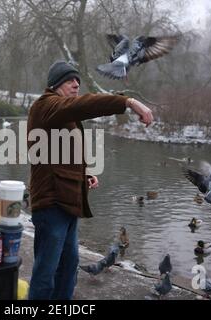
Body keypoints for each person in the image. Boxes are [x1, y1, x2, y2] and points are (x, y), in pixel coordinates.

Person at [27, 60, 153, 300]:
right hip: (51, 204)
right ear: (54, 84)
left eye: (77, 80)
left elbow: (60, 153)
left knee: (68, 268)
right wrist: (127, 101)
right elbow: (85, 105)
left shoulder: (62, 112)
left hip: (68, 202)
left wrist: (84, 176)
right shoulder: (46, 105)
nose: (76, 83)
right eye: (69, 80)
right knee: (46, 272)